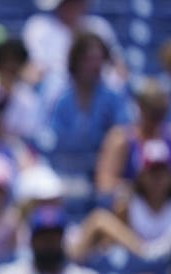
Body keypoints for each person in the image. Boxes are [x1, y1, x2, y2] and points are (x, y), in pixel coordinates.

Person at [74, 138, 171, 262]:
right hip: (133, 264)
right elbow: (110, 245)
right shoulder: (127, 205)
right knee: (99, 218)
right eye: (152, 172)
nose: (157, 178)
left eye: (162, 172)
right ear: (142, 175)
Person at [95, 78, 171, 206]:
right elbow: (104, 184)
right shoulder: (121, 139)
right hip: (131, 213)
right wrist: (142, 189)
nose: (158, 118)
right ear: (140, 107)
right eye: (153, 111)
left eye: (162, 112)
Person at [46, 32, 130, 174]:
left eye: (99, 60)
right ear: (77, 61)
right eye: (89, 60)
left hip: (106, 167)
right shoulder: (63, 100)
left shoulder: (112, 98)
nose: (95, 66)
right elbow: (56, 138)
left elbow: (123, 132)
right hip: (68, 168)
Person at [23, 0, 123, 86]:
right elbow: (32, 70)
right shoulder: (38, 28)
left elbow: (119, 67)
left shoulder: (99, 26)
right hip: (54, 93)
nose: (72, 5)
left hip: (98, 90)